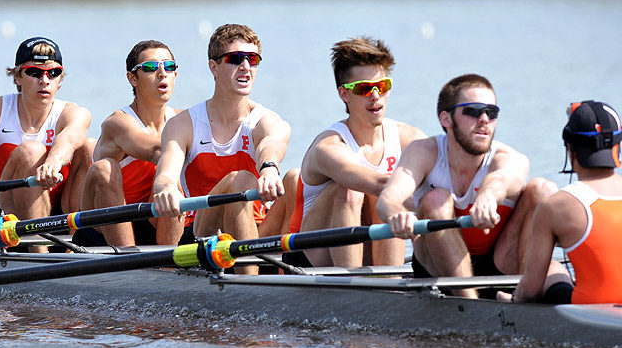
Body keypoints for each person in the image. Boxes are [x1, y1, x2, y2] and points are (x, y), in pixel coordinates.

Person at [377, 73, 562, 296]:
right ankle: (470, 303)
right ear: (446, 119)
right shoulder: (423, 152)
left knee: (544, 190)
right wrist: (397, 214)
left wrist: (488, 196)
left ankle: (524, 296)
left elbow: (502, 180)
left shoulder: (510, 158)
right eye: (473, 111)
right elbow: (388, 199)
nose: (484, 119)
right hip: (437, 267)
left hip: (501, 263)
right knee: (437, 200)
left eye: (491, 112)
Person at [152, 23, 291, 271]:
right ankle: (250, 286)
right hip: (202, 235)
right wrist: (165, 189)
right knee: (241, 181)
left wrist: (269, 169)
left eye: (253, 59)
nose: (246, 67)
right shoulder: (183, 124)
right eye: (236, 59)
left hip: (257, 230)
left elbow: (271, 145)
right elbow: (166, 174)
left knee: (296, 178)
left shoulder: (268, 121)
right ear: (213, 67)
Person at [287, 37, 426, 267]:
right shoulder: (329, 147)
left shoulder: (410, 137)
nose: (375, 96)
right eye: (363, 88)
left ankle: (390, 282)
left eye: (382, 86)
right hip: (311, 260)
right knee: (359, 189)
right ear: (344, 94)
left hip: (371, 251)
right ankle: (353, 285)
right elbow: (380, 185)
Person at [0, 36, 92, 235]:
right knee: (31, 150)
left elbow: (69, 139)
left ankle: (73, 244)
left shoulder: (74, 112)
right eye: (34, 72)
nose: (44, 80)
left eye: (53, 73)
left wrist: (53, 163)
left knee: (90, 147)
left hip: (58, 208)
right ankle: (39, 253)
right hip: (8, 215)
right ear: (18, 77)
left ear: (59, 79)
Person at [512, 101, 622, 304]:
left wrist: (512, 301)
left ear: (570, 150)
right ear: (618, 147)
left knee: (554, 268)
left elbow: (530, 293)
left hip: (591, 315)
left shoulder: (554, 206)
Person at [78, 39, 184, 246]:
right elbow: (156, 150)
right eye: (151, 67)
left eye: (169, 67)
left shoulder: (182, 120)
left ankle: (170, 266)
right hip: (103, 224)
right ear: (132, 78)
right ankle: (128, 258)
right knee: (104, 168)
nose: (162, 73)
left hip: (154, 219)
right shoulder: (118, 122)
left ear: (175, 75)